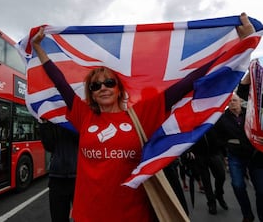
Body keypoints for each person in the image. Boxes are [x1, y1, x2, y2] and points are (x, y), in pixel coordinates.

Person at [30, 13, 256, 221]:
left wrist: (239, 45)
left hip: (133, 213)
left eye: (109, 82)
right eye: (95, 85)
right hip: (87, 213)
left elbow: (188, 82)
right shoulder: (83, 114)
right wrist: (38, 47)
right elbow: (59, 80)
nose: (103, 88)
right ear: (91, 92)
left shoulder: (141, 114)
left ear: (119, 88)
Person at [214, 92, 262, 222]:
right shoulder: (222, 119)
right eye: (229, 101)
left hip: (254, 156)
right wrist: (228, 144)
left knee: (261, 189)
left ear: (240, 101)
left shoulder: (251, 115)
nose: (232, 103)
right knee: (238, 185)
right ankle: (247, 215)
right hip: (235, 156)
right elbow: (218, 139)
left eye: (234, 100)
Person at [39, 119, 78, 222]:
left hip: (80, 178)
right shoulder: (52, 120)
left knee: (84, 218)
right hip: (57, 178)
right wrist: (44, 124)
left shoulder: (81, 114)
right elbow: (49, 146)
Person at [190, 126, 228, 214]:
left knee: (221, 176)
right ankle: (211, 203)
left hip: (214, 152)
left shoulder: (212, 115)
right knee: (206, 180)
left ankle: (219, 194)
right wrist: (189, 150)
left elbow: (221, 134)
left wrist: (224, 153)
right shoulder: (192, 118)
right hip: (199, 154)